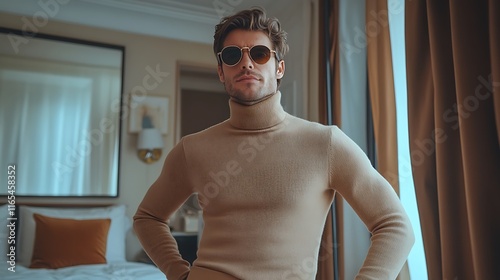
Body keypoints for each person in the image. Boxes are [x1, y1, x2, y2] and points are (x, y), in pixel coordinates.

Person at [133, 7, 414, 280]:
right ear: (221, 72)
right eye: (232, 56)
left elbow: (395, 225)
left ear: (279, 67)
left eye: (259, 53)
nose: (246, 63)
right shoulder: (191, 149)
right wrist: (178, 273)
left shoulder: (326, 143)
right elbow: (147, 217)